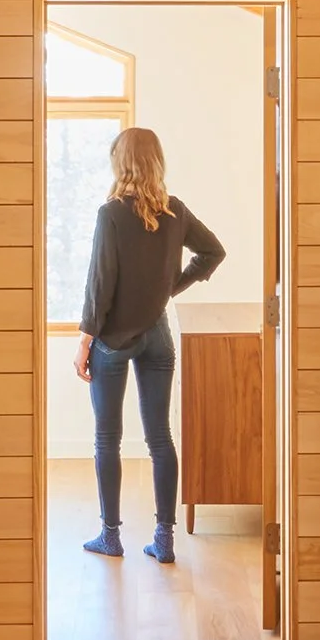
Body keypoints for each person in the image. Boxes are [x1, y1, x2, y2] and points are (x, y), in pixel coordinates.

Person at [74, 125, 224, 564]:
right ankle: (164, 540)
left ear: (120, 163)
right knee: (160, 437)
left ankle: (111, 536)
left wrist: (85, 340)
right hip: (157, 334)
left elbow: (100, 286)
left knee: (107, 438)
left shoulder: (112, 214)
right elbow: (212, 252)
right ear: (156, 161)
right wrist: (167, 290)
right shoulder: (175, 211)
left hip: (113, 339)